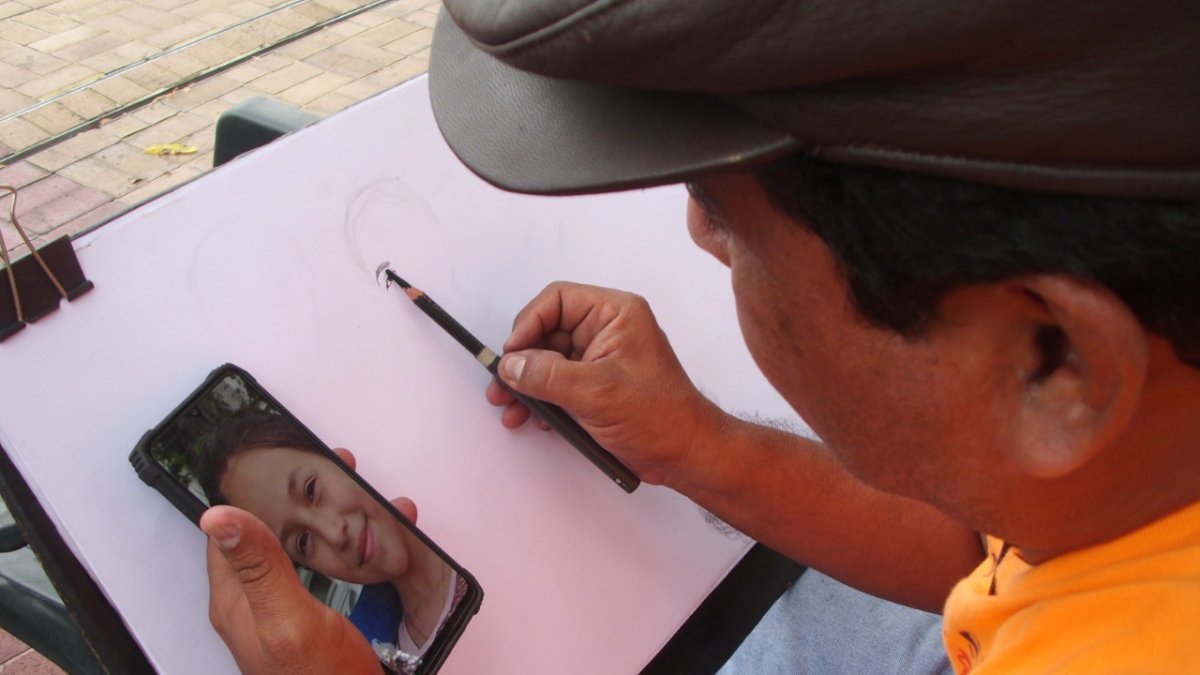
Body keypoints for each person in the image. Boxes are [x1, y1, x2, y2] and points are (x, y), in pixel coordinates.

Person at [199, 1, 1200, 673]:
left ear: (1055, 362)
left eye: (728, 212)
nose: (698, 237)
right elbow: (980, 547)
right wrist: (697, 446)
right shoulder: (1126, 484)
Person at [199, 411, 465, 673]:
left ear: (338, 461)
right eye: (303, 542)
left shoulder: (472, 500)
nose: (335, 533)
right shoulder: (374, 657)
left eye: (311, 490)